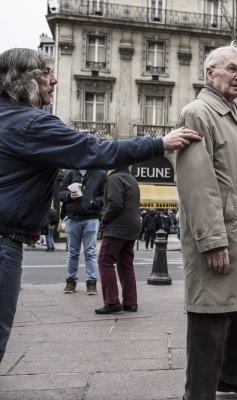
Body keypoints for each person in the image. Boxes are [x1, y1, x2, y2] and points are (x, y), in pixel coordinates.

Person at [0, 48, 200, 364]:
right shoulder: (30, 123)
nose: (53, 80)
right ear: (24, 80)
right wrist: (158, 143)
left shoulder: (8, 117)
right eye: (46, 73)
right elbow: (96, 150)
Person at [175, 43, 237, 400]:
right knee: (210, 318)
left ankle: (230, 376)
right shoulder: (198, 112)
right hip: (224, 233)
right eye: (231, 69)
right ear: (209, 73)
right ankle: (199, 392)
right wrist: (213, 239)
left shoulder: (232, 113)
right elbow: (196, 184)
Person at [95, 167, 141, 314]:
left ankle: (112, 301)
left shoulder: (115, 178)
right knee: (126, 265)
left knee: (105, 261)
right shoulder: (131, 178)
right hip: (132, 227)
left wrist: (104, 220)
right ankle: (130, 302)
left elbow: (115, 203)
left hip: (117, 227)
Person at [58, 169, 107, 295]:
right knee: (72, 252)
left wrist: (92, 202)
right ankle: (71, 281)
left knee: (90, 251)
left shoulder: (101, 174)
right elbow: (60, 193)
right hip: (72, 217)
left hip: (91, 218)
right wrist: (69, 195)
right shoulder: (70, 173)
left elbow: (105, 196)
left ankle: (91, 282)